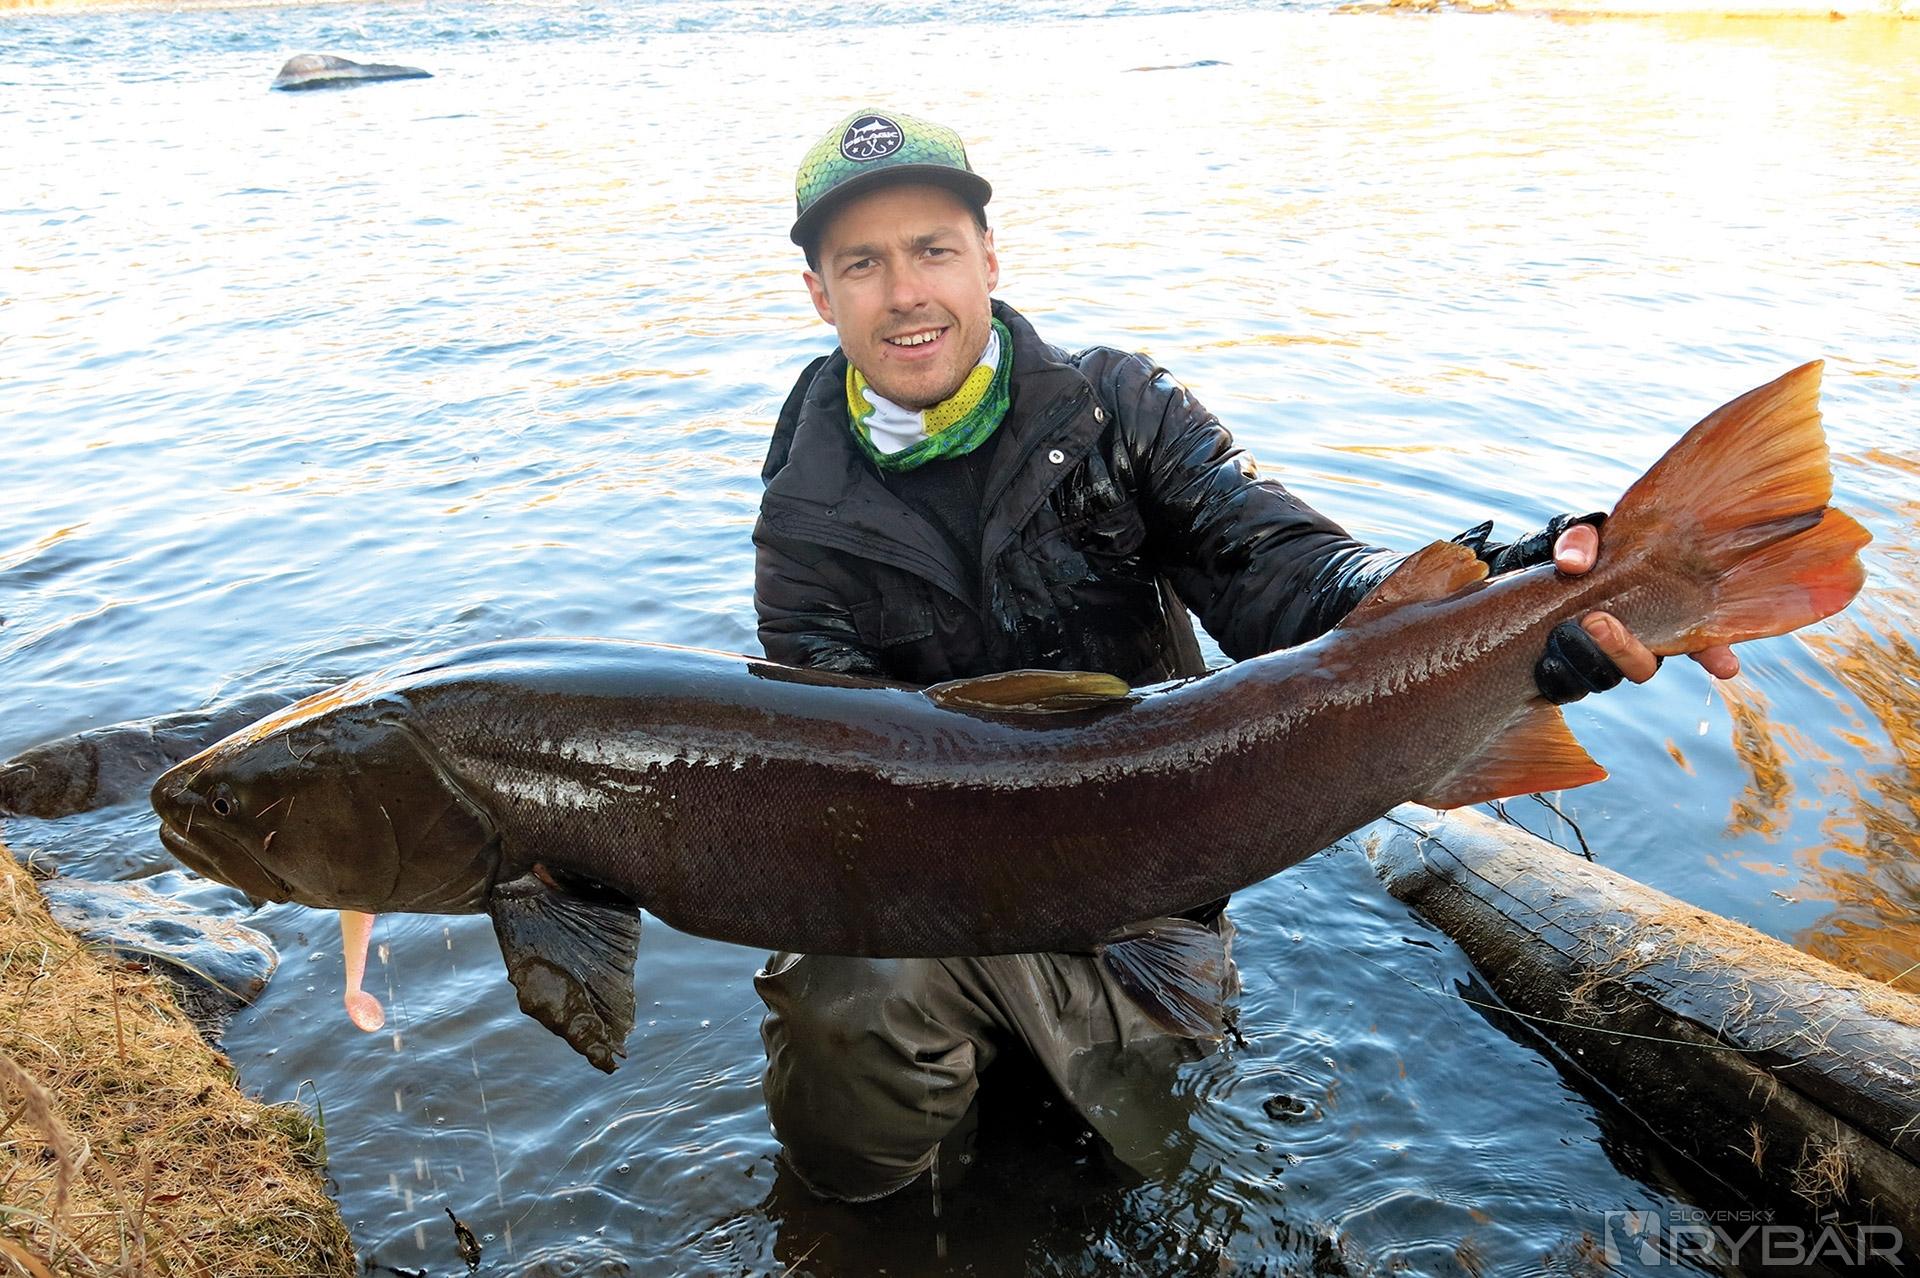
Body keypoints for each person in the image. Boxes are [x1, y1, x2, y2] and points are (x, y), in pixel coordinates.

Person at [749, 108, 1739, 1203]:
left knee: (1127, 1170)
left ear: (989, 256)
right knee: (846, 1002)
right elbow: (839, 796)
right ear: (820, 294)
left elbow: (1302, 583)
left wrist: (1529, 579)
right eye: (863, 263)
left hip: (1154, 910)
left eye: (932, 249)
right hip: (936, 918)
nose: (905, 292)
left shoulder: (1122, 410)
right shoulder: (801, 523)